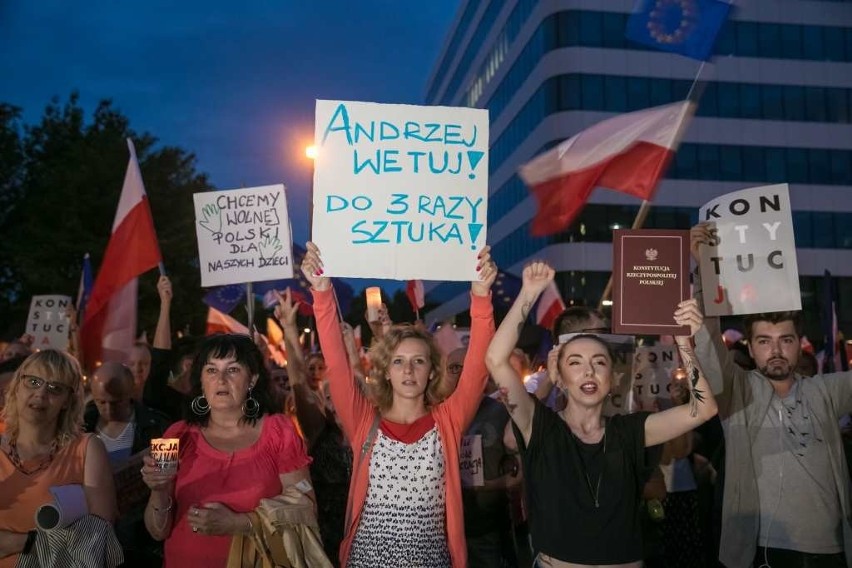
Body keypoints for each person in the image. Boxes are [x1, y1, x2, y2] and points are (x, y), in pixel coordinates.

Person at [485, 261, 718, 567]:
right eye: (575, 363)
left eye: (599, 361)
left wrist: (684, 342)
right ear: (560, 376)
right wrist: (529, 293)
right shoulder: (540, 426)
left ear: (612, 378)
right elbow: (495, 358)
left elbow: (703, 409)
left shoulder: (630, 430)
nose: (589, 370)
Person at [301, 241, 497, 568]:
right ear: (386, 372)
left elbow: (477, 366)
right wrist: (321, 292)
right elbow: (336, 364)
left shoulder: (447, 422)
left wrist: (480, 295)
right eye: (398, 362)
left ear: (432, 370)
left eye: (418, 361)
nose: (408, 370)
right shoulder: (364, 422)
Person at [140, 334, 313, 567]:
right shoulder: (178, 436)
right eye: (211, 370)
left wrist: (241, 524)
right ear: (200, 380)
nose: (220, 379)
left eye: (232, 370)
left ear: (252, 380)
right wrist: (159, 490)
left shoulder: (278, 433)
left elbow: (305, 508)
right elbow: (157, 532)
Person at [0, 349, 117, 568]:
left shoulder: (87, 449)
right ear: (16, 387)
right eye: (33, 382)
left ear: (67, 401)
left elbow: (100, 539)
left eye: (55, 388)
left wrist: (22, 542)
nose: (41, 394)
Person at [274, 288, 352, 567]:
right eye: (329, 397)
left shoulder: (370, 433)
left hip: (367, 535)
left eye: (341, 395)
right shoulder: (320, 431)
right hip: (326, 538)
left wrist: (351, 349)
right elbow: (298, 381)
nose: (336, 401)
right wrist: (289, 328)